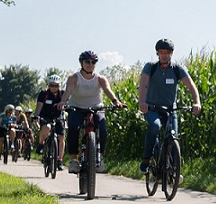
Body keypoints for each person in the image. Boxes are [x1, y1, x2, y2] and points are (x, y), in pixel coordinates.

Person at [137, 39, 202, 174]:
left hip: (170, 108)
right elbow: (143, 84)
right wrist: (142, 102)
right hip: (152, 107)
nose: (164, 55)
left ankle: (173, 171)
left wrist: (197, 102)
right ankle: (147, 160)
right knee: (155, 127)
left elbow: (191, 86)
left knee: (172, 136)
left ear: (171, 53)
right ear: (158, 53)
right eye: (161, 52)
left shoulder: (177, 69)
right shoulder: (151, 67)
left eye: (167, 52)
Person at [63, 51, 121, 172]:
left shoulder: (100, 78)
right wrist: (63, 102)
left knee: (103, 129)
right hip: (76, 108)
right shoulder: (74, 78)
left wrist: (116, 102)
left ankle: (99, 157)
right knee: (73, 128)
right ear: (81, 63)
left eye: (93, 62)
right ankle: (73, 160)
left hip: (96, 108)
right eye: (87, 61)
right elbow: (68, 91)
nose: (90, 64)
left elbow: (108, 90)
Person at [35, 74, 67, 160]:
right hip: (46, 116)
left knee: (61, 137)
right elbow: (39, 106)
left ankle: (60, 159)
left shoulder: (63, 94)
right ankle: (41, 144)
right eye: (52, 85)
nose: (54, 87)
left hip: (58, 116)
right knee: (47, 127)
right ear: (48, 85)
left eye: (56, 85)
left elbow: (67, 105)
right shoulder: (43, 93)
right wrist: (36, 116)